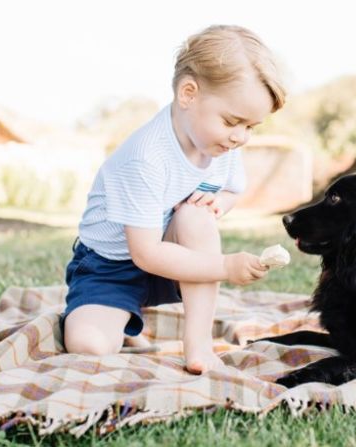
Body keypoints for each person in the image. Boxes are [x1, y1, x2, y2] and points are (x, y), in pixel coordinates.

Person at [61, 25, 286, 374]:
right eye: (233, 121)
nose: (240, 137)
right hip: (111, 266)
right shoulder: (146, 157)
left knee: (196, 217)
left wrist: (217, 205)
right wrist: (226, 266)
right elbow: (145, 253)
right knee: (90, 346)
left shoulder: (221, 144)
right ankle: (115, 316)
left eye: (251, 127)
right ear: (188, 93)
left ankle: (198, 345)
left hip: (173, 257)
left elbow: (231, 190)